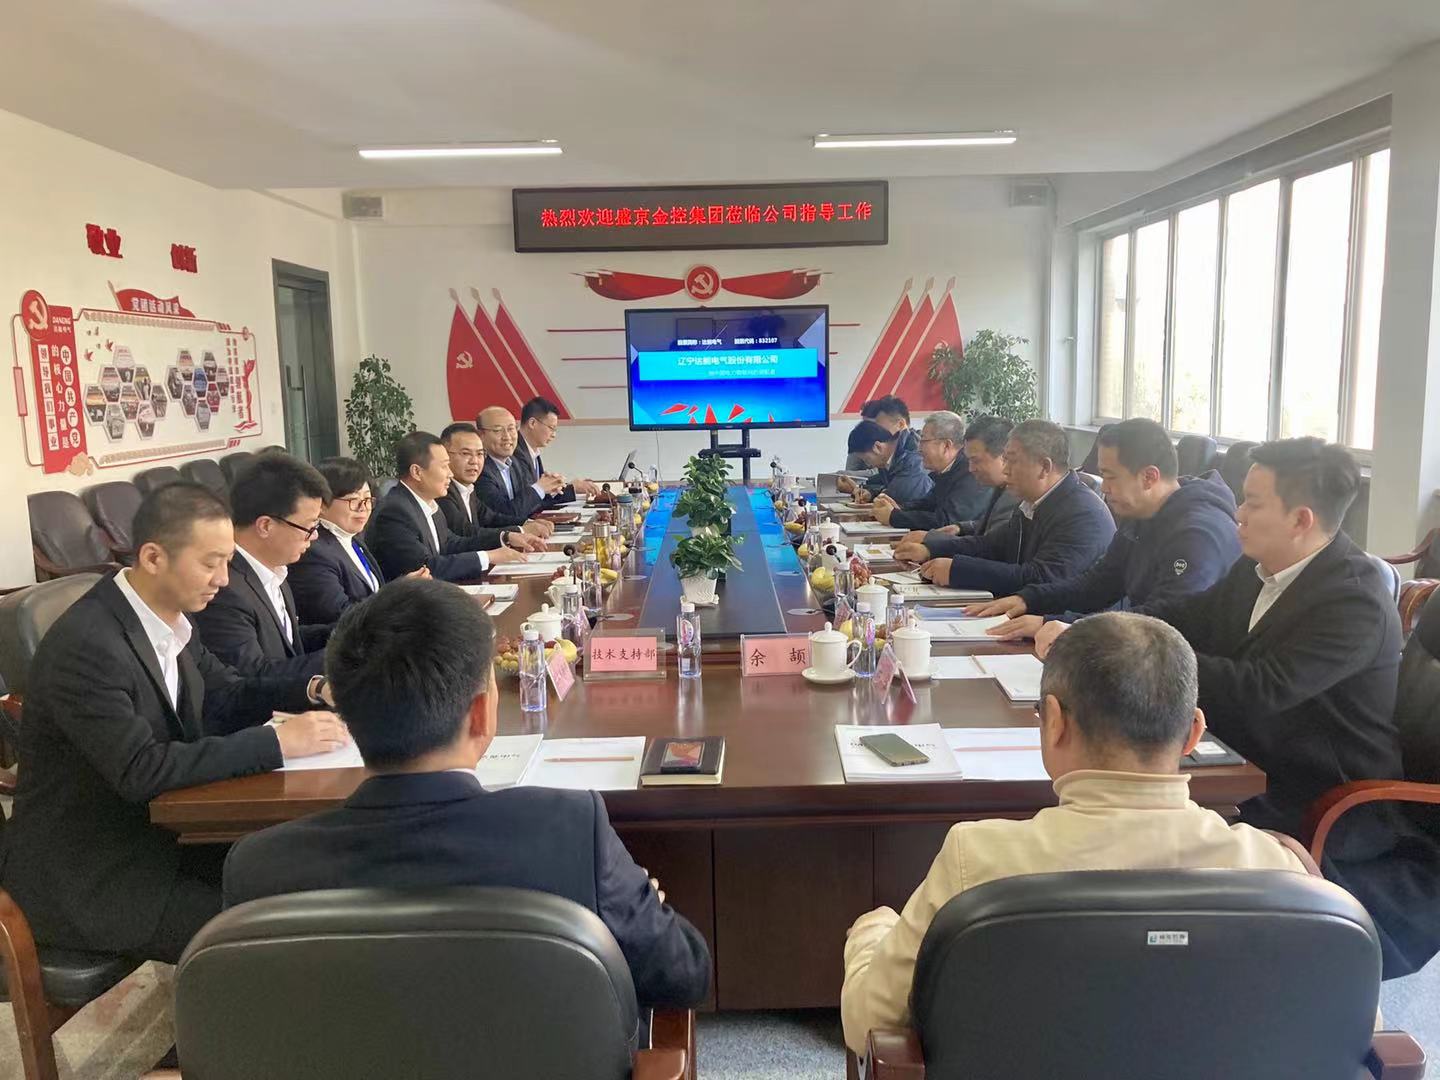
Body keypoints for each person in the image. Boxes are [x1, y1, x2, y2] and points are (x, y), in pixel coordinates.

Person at [223, 578, 712, 1011]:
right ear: (481, 713)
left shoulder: (258, 867)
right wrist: (634, 901)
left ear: (347, 717)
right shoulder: (569, 827)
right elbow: (683, 974)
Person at [839, 612, 1311, 1054]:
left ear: (1054, 721)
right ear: (1193, 734)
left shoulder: (979, 859)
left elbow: (868, 1026)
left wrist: (873, 928)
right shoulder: (1275, 869)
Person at [0, 483, 348, 962]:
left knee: (297, 873)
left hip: (165, 834)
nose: (223, 580)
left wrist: (315, 689)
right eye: (210, 563)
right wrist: (277, 744)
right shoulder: (88, 646)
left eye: (228, 562)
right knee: (272, 937)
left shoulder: (169, 619)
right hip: (98, 872)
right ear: (153, 557)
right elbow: (140, 769)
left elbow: (228, 691)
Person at [1035, 438, 1402, 859]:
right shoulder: (1259, 567)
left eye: (1252, 504)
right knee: (1105, 796)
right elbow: (1186, 615)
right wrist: (1094, 633)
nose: (1238, 514)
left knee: (1132, 829)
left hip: (1316, 794)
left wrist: (1139, 663)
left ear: (1300, 520)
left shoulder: (1354, 602)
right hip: (1243, 757)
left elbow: (1262, 689)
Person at [974, 418, 1241, 641]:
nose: (1104, 487)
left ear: (1149, 477)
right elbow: (1097, 585)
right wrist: (1028, 600)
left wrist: (1068, 627)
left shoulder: (1198, 535)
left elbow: (1165, 621)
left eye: (1110, 476)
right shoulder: (1141, 513)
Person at [894, 420, 1115, 594]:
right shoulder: (1033, 502)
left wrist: (957, 570)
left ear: (1044, 467)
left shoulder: (1083, 514)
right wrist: (930, 549)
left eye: (1012, 461)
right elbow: (992, 545)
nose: (1005, 469)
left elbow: (1041, 577)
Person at [191, 453, 334, 680]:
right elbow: (254, 675)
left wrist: (352, 634)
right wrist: (345, 656)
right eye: (309, 527)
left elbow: (288, 640)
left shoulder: (274, 567)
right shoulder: (223, 589)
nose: (314, 536)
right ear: (265, 526)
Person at [369, 431, 544, 584]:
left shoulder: (427, 502)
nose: (450, 473)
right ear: (417, 472)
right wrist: (488, 557)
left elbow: (452, 543)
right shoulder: (395, 512)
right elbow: (426, 568)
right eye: (444, 466)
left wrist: (505, 537)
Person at [289, 457, 429, 625]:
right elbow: (343, 615)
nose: (363, 508)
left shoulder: (353, 538)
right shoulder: (314, 552)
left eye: (367, 499)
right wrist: (397, 595)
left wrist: (401, 587)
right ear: (323, 504)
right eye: (353, 500)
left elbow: (373, 594)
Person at [897, 416, 1018, 550]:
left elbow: (991, 548)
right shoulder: (999, 487)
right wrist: (961, 528)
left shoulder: (1017, 497)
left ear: (1004, 456)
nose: (971, 468)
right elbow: (990, 529)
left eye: (976, 461)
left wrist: (932, 545)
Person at [872, 410, 988, 531]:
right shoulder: (947, 470)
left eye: (923, 441)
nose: (919, 448)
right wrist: (899, 509)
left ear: (946, 445)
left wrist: (894, 517)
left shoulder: (970, 473)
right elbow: (927, 504)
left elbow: (946, 521)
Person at [438, 421, 552, 540]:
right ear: (444, 455)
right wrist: (520, 530)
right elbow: (467, 532)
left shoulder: (468, 489)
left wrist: (527, 522)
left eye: (479, 454)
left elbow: (490, 518)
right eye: (466, 453)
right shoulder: (443, 493)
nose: (474, 461)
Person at [475, 406, 568, 520]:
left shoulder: (514, 463)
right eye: (498, 430)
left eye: (511, 429)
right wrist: (539, 488)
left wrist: (551, 487)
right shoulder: (480, 470)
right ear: (481, 435)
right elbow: (504, 513)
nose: (507, 436)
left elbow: (527, 505)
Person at [516, 396, 602, 506]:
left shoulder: (533, 452)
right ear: (532, 423)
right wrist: (570, 488)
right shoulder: (514, 452)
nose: (554, 435)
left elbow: (541, 496)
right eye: (551, 428)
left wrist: (560, 486)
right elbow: (528, 502)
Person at [845, 419, 933, 508]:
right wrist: (870, 493)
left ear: (877, 447)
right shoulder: (888, 461)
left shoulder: (913, 460)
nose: (869, 465)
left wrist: (874, 496)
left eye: (867, 459)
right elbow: (892, 489)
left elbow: (899, 497)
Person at [839, 396, 912, 496]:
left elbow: (899, 494)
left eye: (877, 427)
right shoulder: (887, 457)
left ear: (900, 425)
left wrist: (856, 487)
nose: (872, 431)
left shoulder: (913, 455)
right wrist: (868, 492)